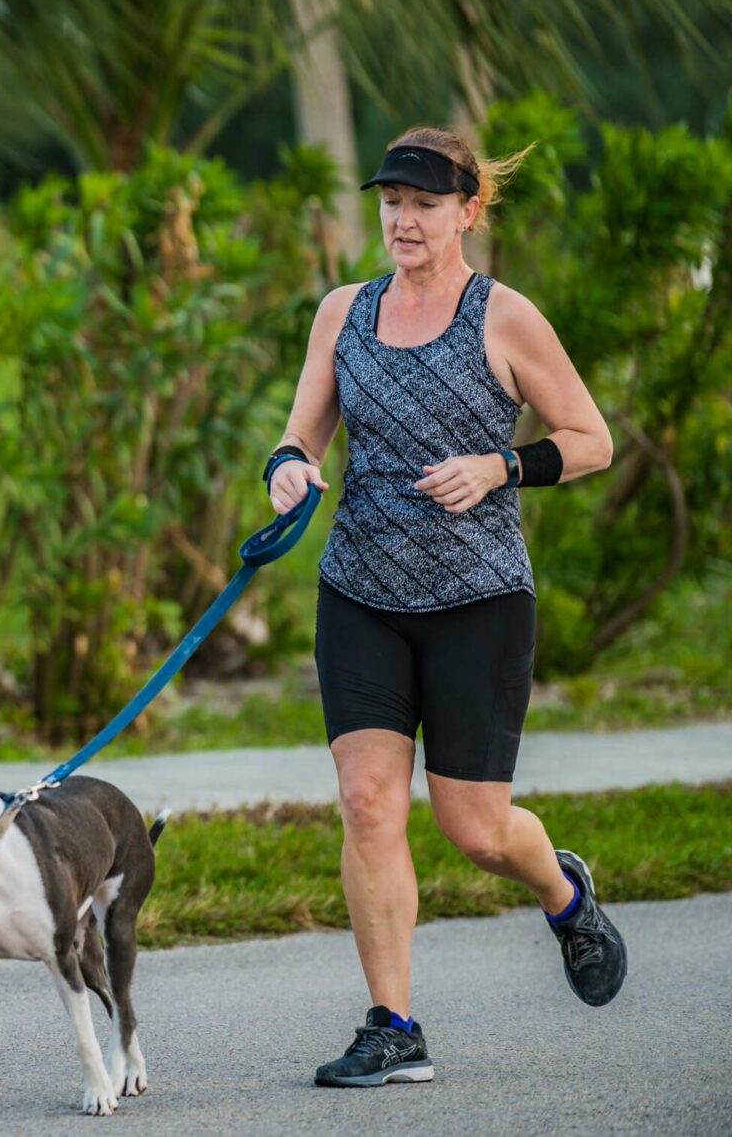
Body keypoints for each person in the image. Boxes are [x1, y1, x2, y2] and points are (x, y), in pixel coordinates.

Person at [267, 129, 628, 1088]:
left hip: (479, 602)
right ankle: (394, 1024)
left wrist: (502, 464)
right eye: (391, 201)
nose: (402, 220)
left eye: (425, 204)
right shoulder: (344, 312)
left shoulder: (504, 318)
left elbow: (590, 439)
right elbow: (300, 432)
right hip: (361, 591)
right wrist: (290, 470)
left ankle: (562, 888)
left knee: (473, 828)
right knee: (368, 803)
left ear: (469, 210)